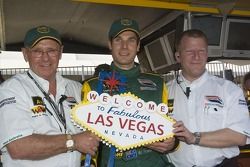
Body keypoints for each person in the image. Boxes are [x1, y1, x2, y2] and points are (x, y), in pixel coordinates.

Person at [82, 18, 177, 167]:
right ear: (110, 45)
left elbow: (169, 126)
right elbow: (88, 138)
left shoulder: (158, 83)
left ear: (138, 45)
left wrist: (172, 143)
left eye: (131, 40)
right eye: (118, 40)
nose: (124, 47)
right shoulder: (93, 86)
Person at [0, 25, 100, 167]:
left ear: (60, 53)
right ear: (25, 54)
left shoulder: (77, 89)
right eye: (37, 51)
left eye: (51, 50)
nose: (45, 58)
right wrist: (74, 141)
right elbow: (18, 147)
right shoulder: (12, 89)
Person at [167, 29, 250, 167]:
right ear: (178, 56)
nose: (196, 57)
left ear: (207, 54)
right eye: (189, 51)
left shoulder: (229, 90)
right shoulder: (164, 91)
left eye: (201, 51)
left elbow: (239, 136)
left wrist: (194, 138)